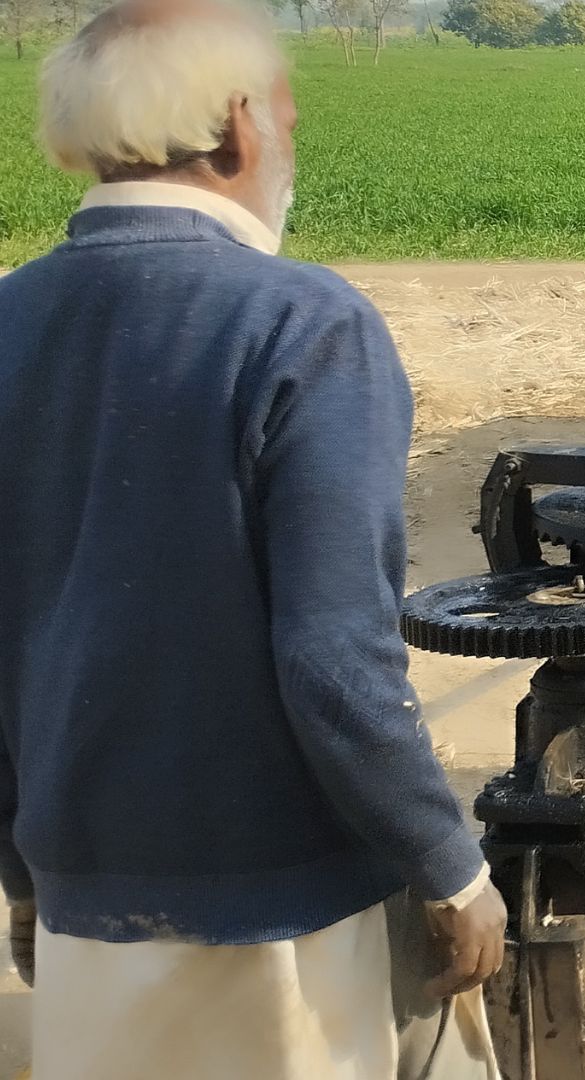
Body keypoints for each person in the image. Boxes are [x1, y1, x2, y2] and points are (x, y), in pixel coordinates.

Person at [0, 3, 505, 1076]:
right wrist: (449, 867)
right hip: (288, 928)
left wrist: (26, 874)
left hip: (87, 915)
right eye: (288, 123)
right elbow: (334, 661)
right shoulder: (303, 326)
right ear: (238, 130)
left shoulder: (10, 324)